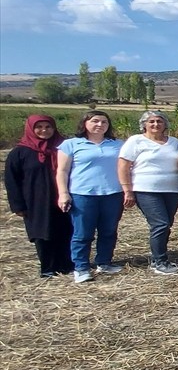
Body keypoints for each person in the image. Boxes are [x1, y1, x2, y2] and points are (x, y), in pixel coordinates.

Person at [56, 110, 124, 283]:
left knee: (108, 231)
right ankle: (81, 267)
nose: (100, 125)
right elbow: (62, 171)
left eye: (104, 122)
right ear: (85, 123)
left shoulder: (117, 144)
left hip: (112, 194)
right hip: (83, 195)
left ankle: (104, 262)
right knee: (83, 233)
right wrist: (63, 193)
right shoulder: (71, 144)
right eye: (95, 121)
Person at [118, 110, 178, 275]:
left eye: (159, 121)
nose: (156, 124)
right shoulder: (136, 141)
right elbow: (123, 166)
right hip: (146, 189)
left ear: (165, 125)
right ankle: (159, 261)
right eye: (151, 122)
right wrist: (127, 190)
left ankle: (160, 255)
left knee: (166, 224)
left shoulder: (175, 142)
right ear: (144, 125)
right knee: (160, 223)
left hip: (172, 189)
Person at [5, 115, 72, 277]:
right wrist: (18, 205)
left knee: (65, 231)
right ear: (31, 129)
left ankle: (66, 264)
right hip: (35, 201)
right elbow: (11, 180)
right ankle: (48, 267)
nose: (44, 130)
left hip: (64, 197)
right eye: (39, 127)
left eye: (48, 127)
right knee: (42, 233)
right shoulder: (19, 152)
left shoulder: (64, 148)